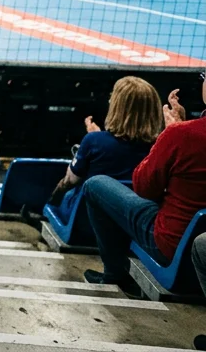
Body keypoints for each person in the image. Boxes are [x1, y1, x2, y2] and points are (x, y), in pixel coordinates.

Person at [83, 81, 205, 296]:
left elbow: (144, 188)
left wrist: (170, 135)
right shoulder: (184, 134)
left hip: (172, 245)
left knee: (95, 185)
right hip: (199, 240)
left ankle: (114, 274)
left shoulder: (180, 135)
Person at [45, 77, 162, 218]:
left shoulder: (94, 141)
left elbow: (70, 180)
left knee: (67, 194)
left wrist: (91, 142)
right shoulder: (161, 147)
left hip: (86, 221)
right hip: (136, 221)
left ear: (116, 107)